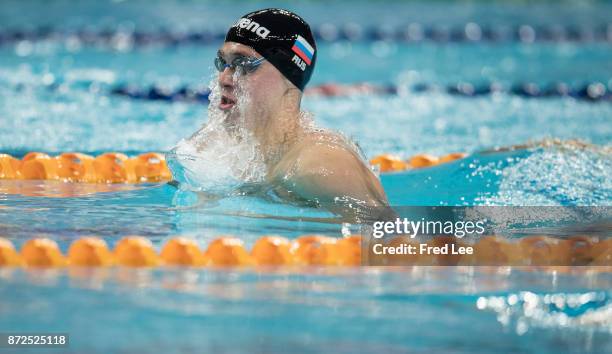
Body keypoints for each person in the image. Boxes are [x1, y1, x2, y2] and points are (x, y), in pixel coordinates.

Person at [178, 8, 390, 222]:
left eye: (244, 65)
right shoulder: (215, 146)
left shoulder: (318, 166)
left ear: (290, 76)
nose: (224, 78)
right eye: (223, 63)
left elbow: (399, 244)